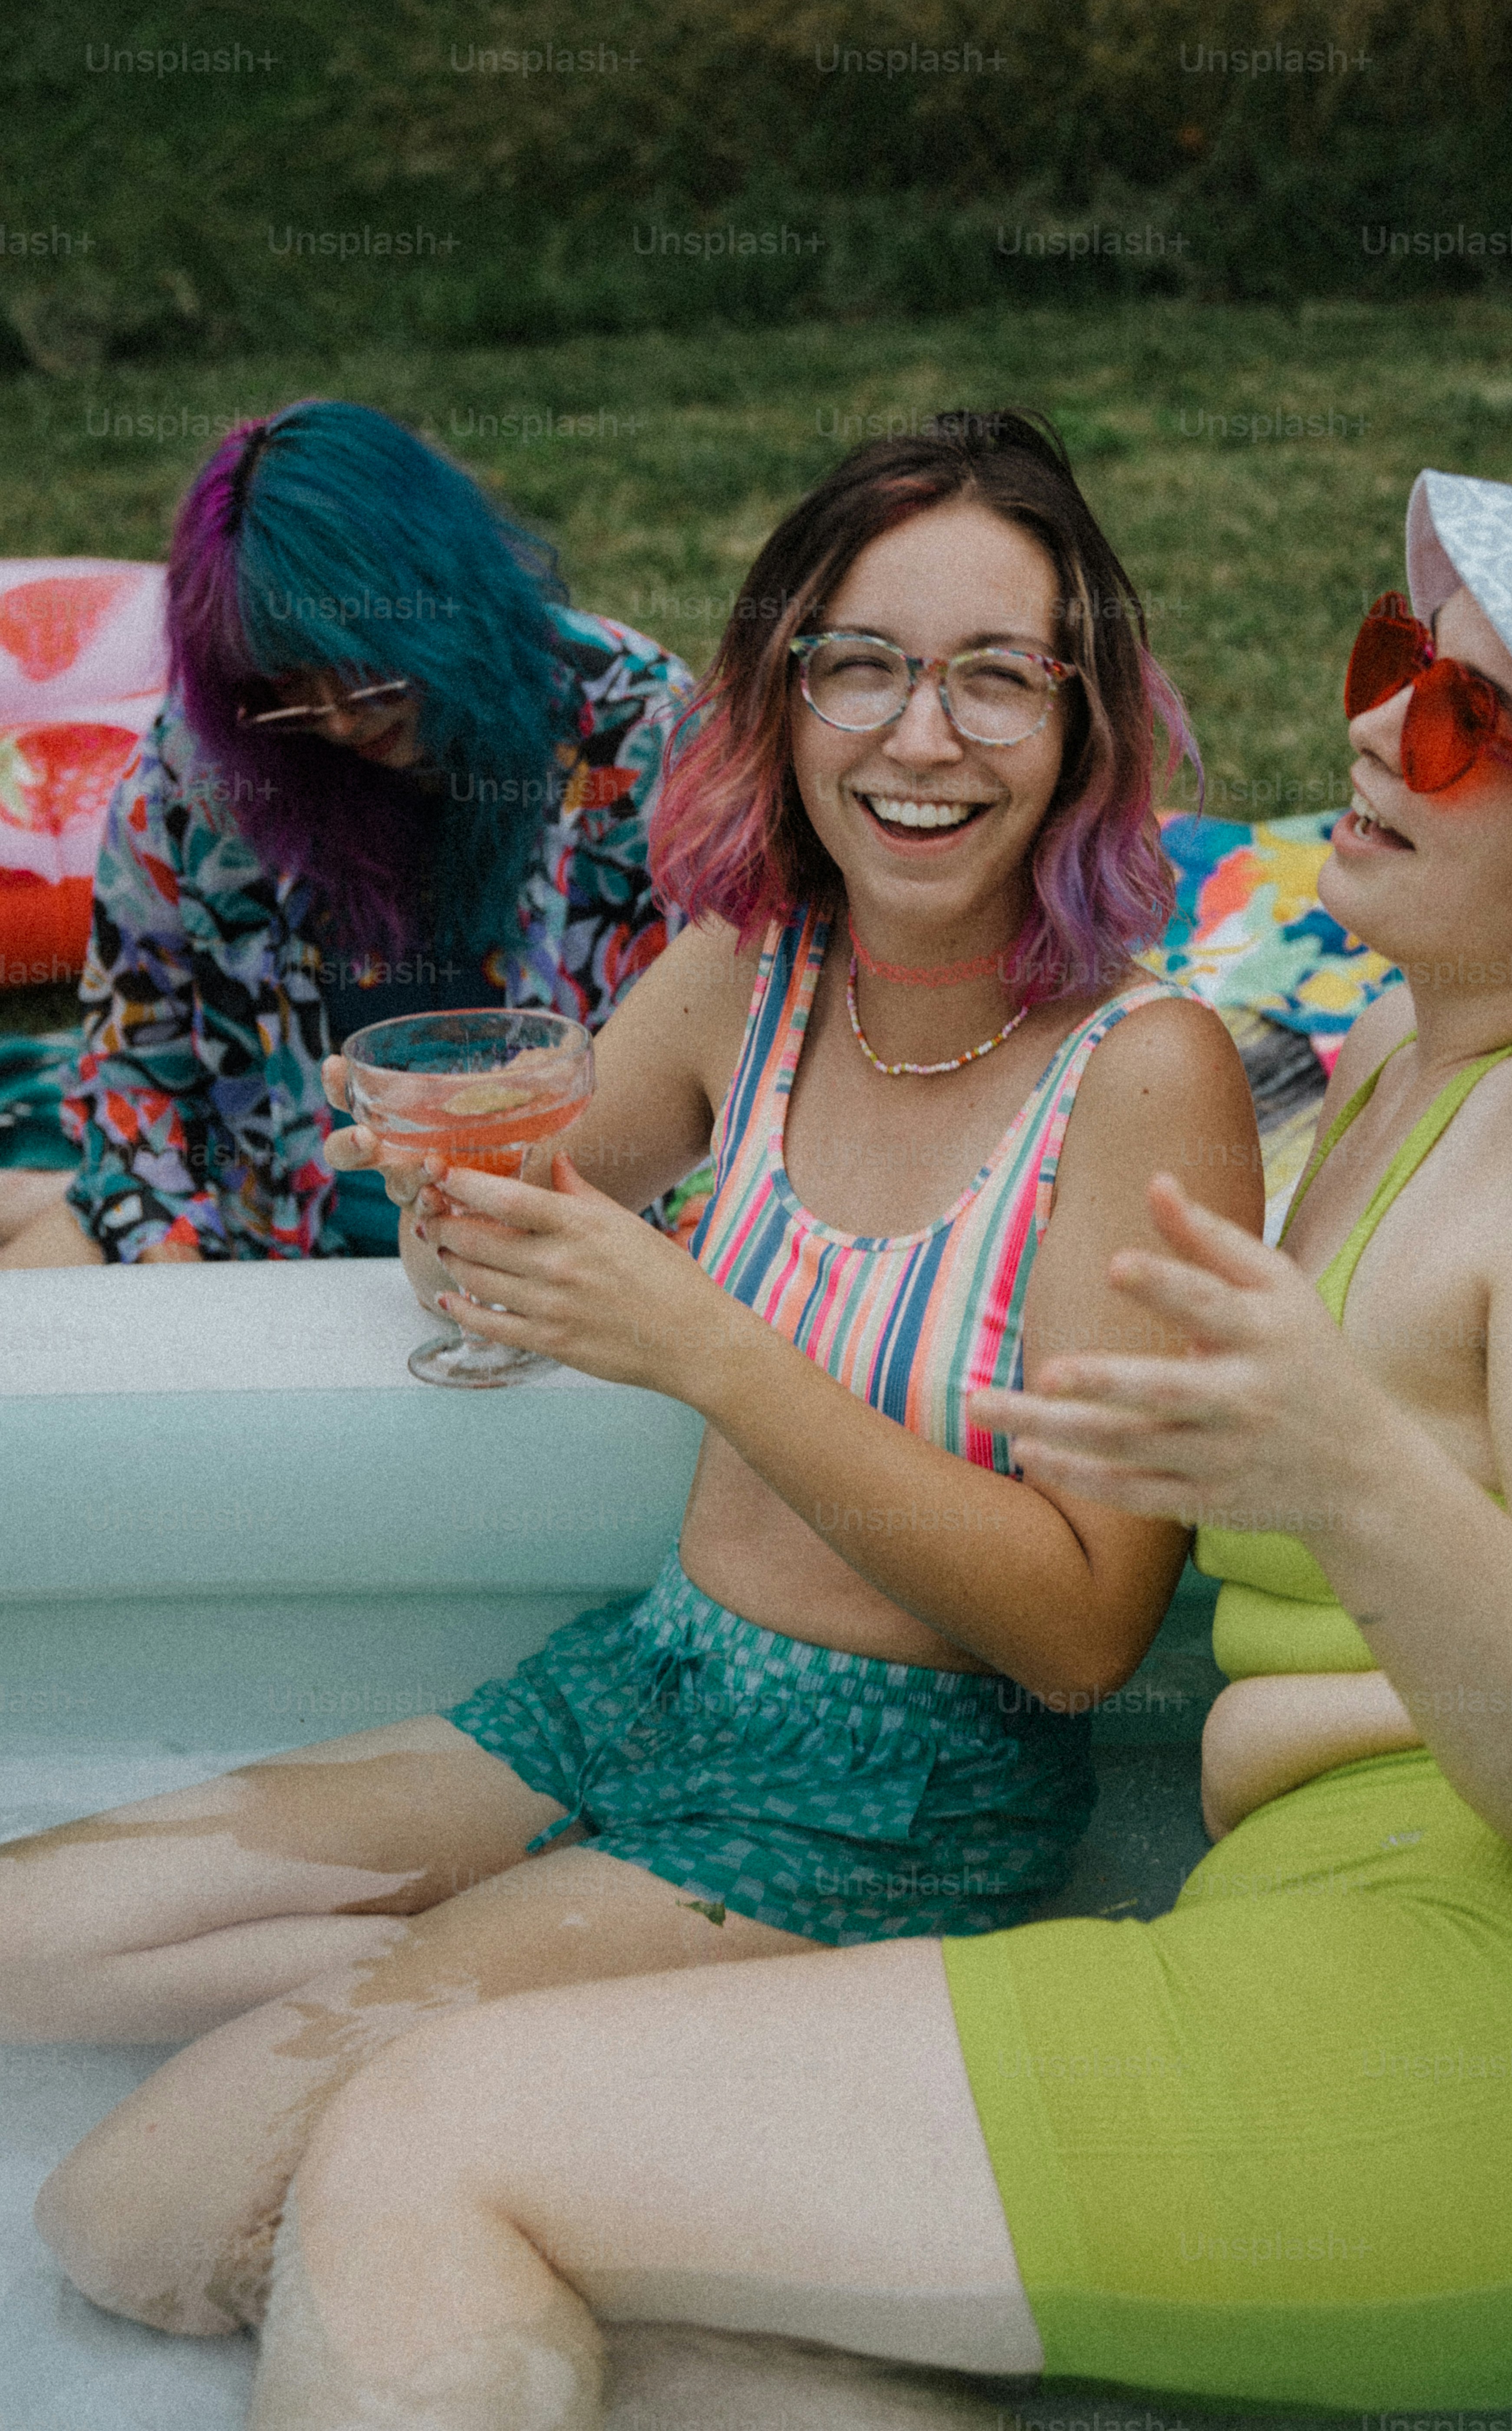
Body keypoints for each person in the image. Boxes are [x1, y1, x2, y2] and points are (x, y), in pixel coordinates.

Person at [233, 461, 1512, 2431]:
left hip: (1509, 2055)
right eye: (1400, 663)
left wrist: (1341, 1478)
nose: (1378, 723)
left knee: (429, 2136)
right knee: (666, 2337)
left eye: (1478, 718)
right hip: (1337, 1963)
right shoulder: (1411, 1057)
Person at [2, 410, 1260, 2340]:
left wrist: (701, 1340)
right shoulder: (741, 979)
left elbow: (1088, 1634)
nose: (921, 738)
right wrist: (441, 1182)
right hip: (641, 1679)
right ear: (784, 694)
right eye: (863, 666)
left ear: (1084, 726)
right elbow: (493, 1251)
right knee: (21, 1940)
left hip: (892, 1798)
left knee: (135, 2221)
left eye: (996, 677)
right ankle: (536, 1990)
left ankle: (722, 2256)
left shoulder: (1139, 1071)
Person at [0, 399, 690, 1271]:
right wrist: (165, 1259)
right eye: (289, 683)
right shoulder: (208, 764)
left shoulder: (633, 726)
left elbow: (742, 1044)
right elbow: (134, 1061)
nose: (334, 718)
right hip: (268, 1240)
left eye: (368, 668)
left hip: (580, 1240)